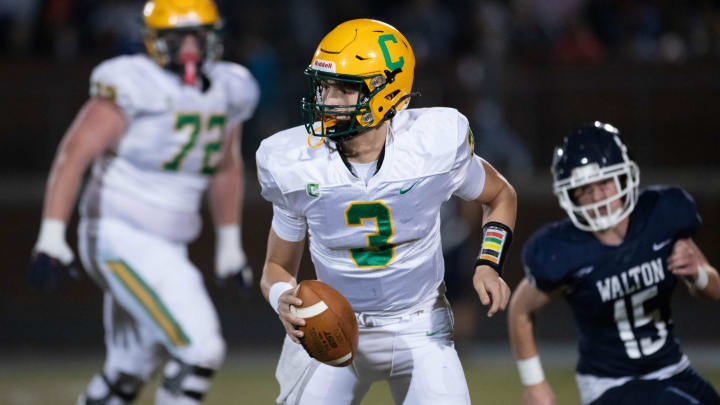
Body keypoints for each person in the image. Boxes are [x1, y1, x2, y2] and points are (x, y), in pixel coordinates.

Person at [256, 19, 517, 405]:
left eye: (344, 88)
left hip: (420, 327)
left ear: (386, 92)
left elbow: (500, 195)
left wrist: (488, 263)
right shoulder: (294, 164)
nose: (327, 99)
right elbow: (275, 270)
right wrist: (282, 298)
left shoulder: (431, 147)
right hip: (331, 329)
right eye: (324, 85)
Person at [29, 0, 259, 403]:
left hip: (168, 244)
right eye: (177, 38)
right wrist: (51, 234)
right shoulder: (132, 82)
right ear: (153, 40)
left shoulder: (229, 86)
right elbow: (73, 156)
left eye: (199, 36)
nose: (189, 47)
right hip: (120, 234)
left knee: (130, 368)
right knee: (200, 349)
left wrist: (229, 247)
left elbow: (226, 168)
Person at [508, 122, 720, 405]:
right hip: (610, 384)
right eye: (585, 190)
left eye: (604, 183)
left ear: (623, 178)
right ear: (570, 195)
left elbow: (714, 290)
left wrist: (699, 275)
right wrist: (534, 383)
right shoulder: (565, 250)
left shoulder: (661, 218)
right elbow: (520, 310)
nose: (598, 198)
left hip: (674, 369)